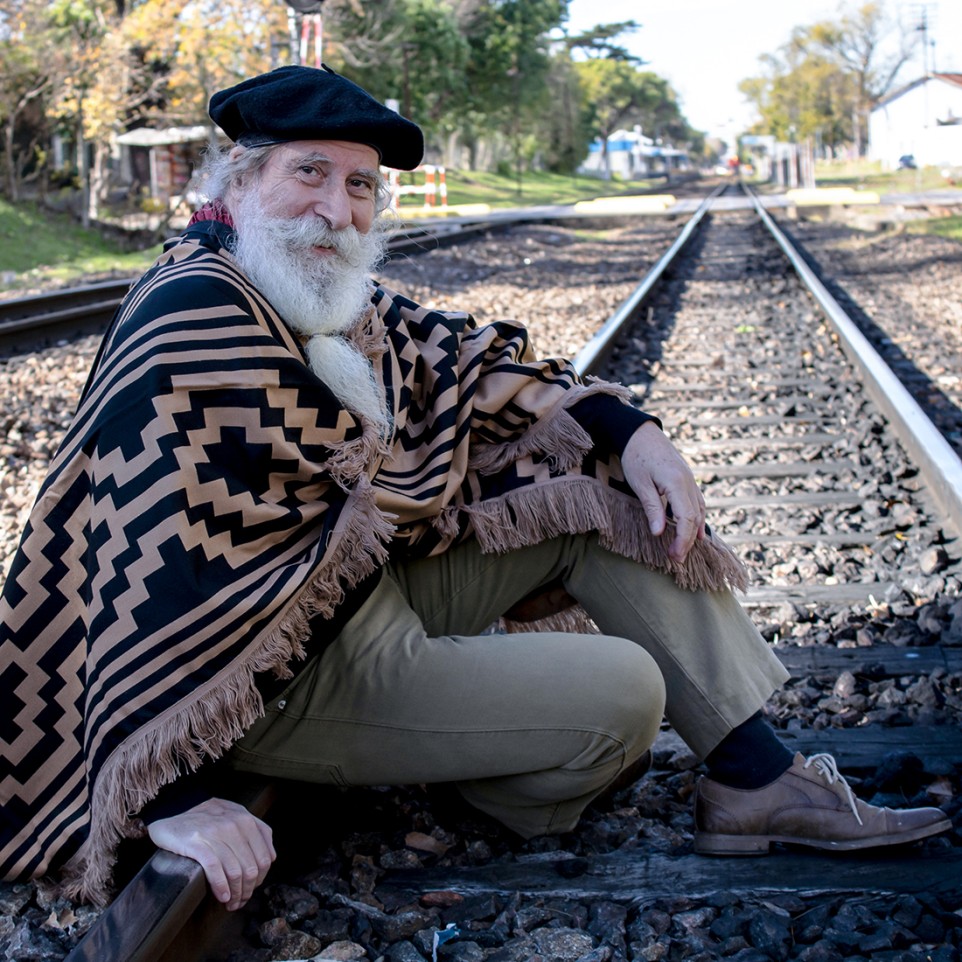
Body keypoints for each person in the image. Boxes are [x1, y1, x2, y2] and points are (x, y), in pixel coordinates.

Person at [0, 65, 950, 912]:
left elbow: (452, 350)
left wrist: (633, 430)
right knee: (628, 691)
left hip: (348, 595)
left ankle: (758, 782)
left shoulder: (303, 292)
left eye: (361, 184)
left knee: (608, 507)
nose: (337, 207)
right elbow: (136, 572)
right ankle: (480, 774)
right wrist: (167, 800)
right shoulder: (192, 320)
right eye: (309, 173)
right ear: (241, 182)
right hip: (262, 673)